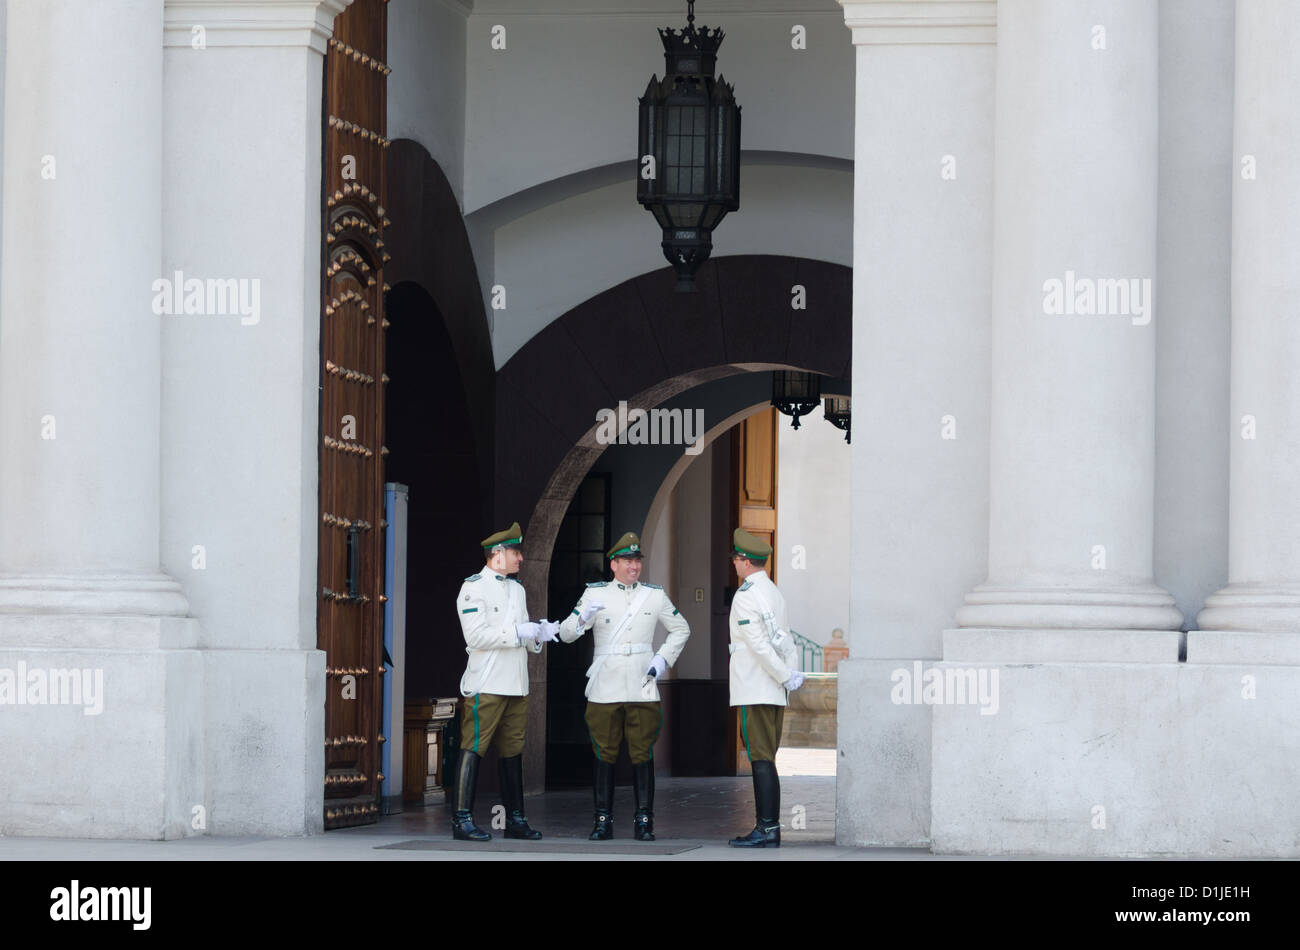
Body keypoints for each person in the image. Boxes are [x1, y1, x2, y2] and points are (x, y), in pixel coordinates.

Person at [559, 531, 690, 841]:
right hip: (606, 685)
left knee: (642, 753)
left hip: (641, 684)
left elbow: (681, 630)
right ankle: (602, 819)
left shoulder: (654, 595)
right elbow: (565, 635)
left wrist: (661, 661)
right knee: (604, 753)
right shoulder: (595, 595)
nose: (634, 567)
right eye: (628, 561)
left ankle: (644, 819)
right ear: (613, 564)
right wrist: (581, 619)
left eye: (637, 561)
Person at [451, 521, 560, 842]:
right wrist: (518, 633)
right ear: (497, 554)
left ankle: (514, 819)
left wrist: (539, 635)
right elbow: (476, 635)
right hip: (487, 682)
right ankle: (461, 819)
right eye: (515, 552)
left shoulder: (517, 589)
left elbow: (523, 634)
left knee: (513, 752)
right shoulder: (473, 587)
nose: (521, 558)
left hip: (516, 683)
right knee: (472, 748)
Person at [727, 528, 805, 848]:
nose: (734, 563)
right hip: (773, 688)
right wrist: (790, 673)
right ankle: (768, 827)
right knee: (766, 757)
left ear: (745, 562)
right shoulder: (773, 591)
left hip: (756, 687)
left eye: (736, 559)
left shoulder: (746, 596)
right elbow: (785, 639)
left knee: (760, 757)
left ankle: (767, 828)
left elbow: (759, 646)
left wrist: (785, 674)